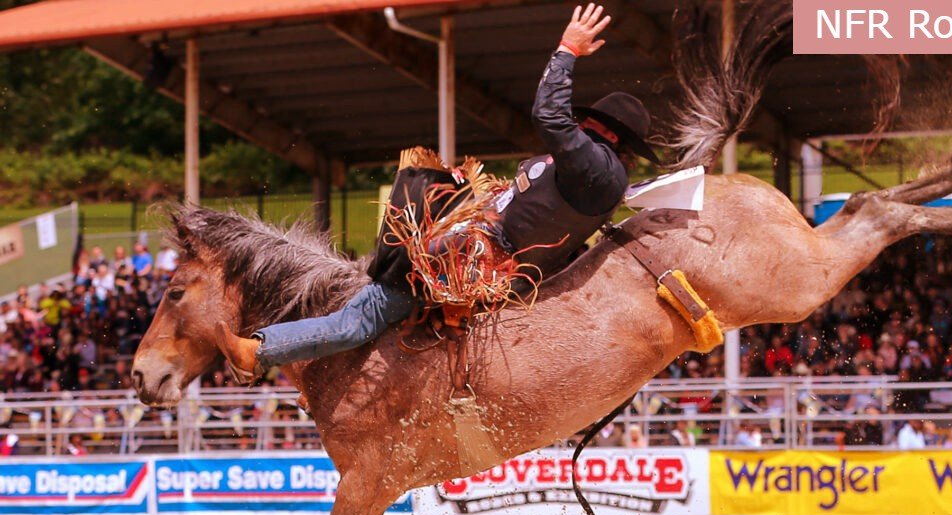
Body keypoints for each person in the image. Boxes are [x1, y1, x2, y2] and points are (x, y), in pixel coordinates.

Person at [217, 4, 658, 382]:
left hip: (474, 262)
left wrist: (567, 51)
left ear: (599, 130)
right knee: (378, 287)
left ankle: (260, 352)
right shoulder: (600, 177)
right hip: (487, 255)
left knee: (366, 313)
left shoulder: (593, 166)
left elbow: (549, 115)